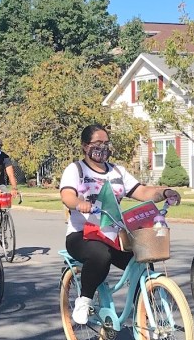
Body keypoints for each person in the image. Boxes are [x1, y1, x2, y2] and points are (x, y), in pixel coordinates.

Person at [60, 124, 181, 325]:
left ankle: (143, 310)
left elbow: (142, 191)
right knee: (101, 256)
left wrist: (164, 192)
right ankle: (85, 299)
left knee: (143, 256)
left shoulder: (118, 171)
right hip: (82, 234)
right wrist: (80, 204)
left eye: (106, 143)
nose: (103, 148)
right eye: (97, 144)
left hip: (113, 234)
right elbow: (67, 196)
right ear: (84, 146)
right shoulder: (76, 170)